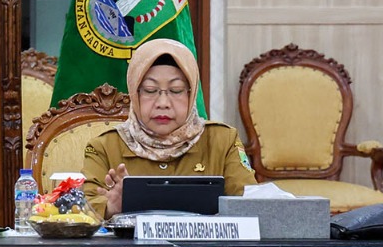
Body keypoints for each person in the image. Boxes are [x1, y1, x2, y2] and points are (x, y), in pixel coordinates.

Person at [83, 37, 256, 219]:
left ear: (192, 93)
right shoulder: (104, 147)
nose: (163, 103)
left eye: (176, 90)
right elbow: (80, 212)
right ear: (135, 94)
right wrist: (110, 207)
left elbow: (250, 207)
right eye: (150, 90)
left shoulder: (222, 140)